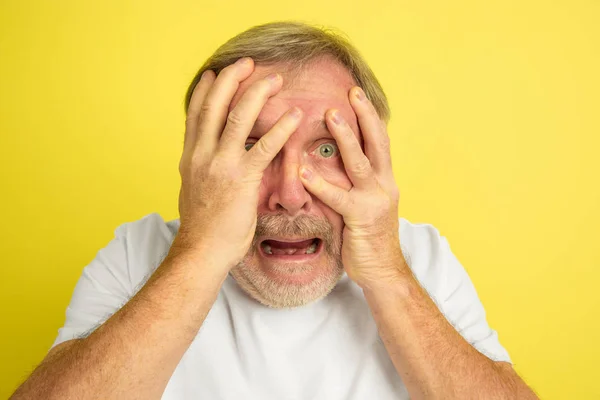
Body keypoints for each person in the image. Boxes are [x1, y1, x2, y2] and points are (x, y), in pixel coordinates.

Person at [11, 21, 538, 399]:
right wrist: (199, 253)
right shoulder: (137, 253)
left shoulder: (420, 258)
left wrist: (386, 273)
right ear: (201, 160)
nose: (290, 192)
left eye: (327, 148)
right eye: (251, 146)